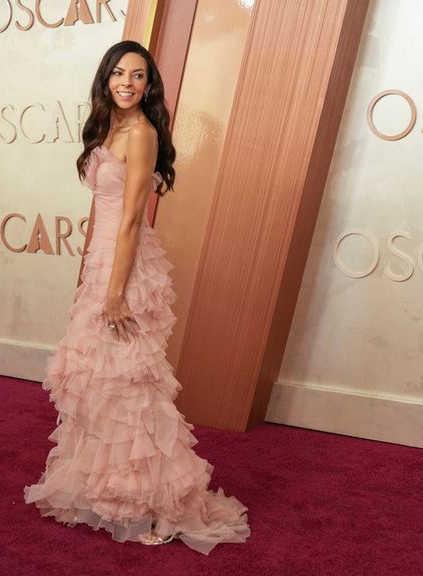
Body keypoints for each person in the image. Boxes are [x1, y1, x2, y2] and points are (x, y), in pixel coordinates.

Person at [24, 41, 250, 555]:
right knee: (101, 381)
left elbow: (130, 221)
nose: (128, 82)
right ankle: (114, 492)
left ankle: (166, 507)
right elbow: (102, 217)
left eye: (139, 75)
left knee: (132, 384)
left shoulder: (143, 133)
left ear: (150, 86)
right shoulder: (108, 127)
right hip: (104, 262)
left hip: (125, 268)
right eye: (119, 73)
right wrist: (93, 274)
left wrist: (115, 294)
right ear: (106, 78)